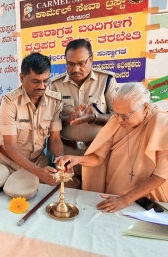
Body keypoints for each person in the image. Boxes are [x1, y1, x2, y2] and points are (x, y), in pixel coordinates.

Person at [55, 83, 168, 212]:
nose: (120, 120)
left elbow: (160, 175)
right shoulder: (116, 121)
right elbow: (98, 158)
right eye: (115, 113)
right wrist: (76, 159)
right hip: (115, 196)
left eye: (125, 116)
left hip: (148, 201)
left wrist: (126, 199)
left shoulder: (163, 124)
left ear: (145, 108)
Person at [50, 38, 118, 188]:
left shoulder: (106, 80)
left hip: (96, 154)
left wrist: (94, 118)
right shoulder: (55, 85)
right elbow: (50, 124)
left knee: (94, 200)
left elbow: (118, 118)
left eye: (81, 63)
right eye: (71, 64)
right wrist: (69, 119)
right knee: (65, 199)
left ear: (91, 60)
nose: (76, 69)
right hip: (66, 153)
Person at [0, 53, 64, 186]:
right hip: (9, 165)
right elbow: (10, 146)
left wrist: (61, 157)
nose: (42, 86)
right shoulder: (10, 102)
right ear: (22, 77)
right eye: (35, 81)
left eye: (45, 81)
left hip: (39, 162)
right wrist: (38, 172)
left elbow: (55, 139)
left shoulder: (55, 101)